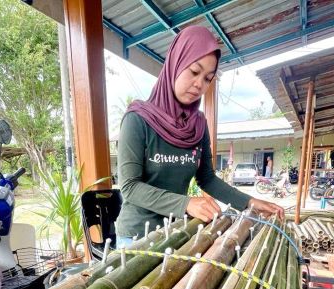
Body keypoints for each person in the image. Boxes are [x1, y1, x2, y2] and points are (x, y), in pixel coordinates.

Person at [115, 26, 284, 247]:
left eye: (207, 79)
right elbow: (130, 186)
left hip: (178, 230)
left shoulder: (198, 124)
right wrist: (186, 203)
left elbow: (207, 178)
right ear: (176, 64)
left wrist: (250, 201)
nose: (199, 85)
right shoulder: (138, 119)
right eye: (194, 71)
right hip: (137, 237)